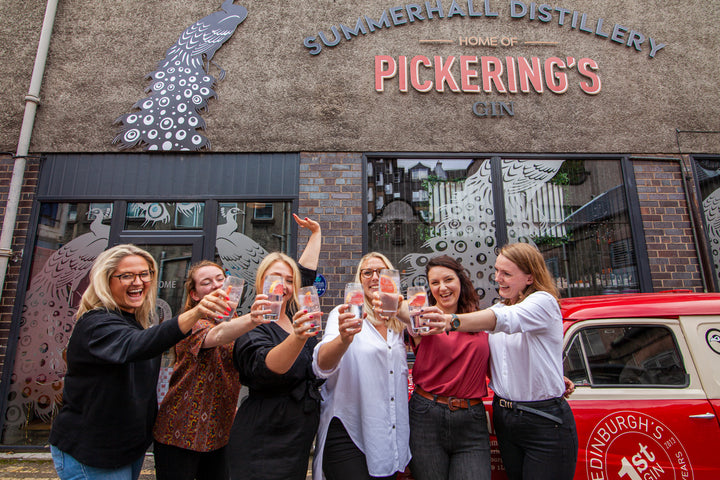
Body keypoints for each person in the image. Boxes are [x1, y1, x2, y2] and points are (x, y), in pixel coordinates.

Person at [152, 214, 321, 480]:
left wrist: (315, 235)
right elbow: (215, 336)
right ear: (194, 294)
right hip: (182, 430)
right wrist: (253, 318)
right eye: (207, 282)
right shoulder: (193, 323)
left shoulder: (238, 320)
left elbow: (299, 280)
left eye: (221, 279)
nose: (217, 285)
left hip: (221, 431)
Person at [49, 244, 230, 480]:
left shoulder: (131, 320)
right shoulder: (96, 323)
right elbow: (137, 344)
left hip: (126, 449)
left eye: (144, 274)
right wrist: (196, 314)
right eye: (126, 276)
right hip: (93, 453)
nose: (138, 282)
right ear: (105, 281)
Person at [422, 243, 579, 480]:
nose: (498, 278)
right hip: (505, 416)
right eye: (497, 271)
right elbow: (491, 356)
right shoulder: (499, 306)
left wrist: (450, 321)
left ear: (530, 277)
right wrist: (550, 374)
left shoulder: (543, 301)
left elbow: (506, 320)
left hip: (543, 419)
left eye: (506, 273)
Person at [312, 252, 411, 480]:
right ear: (360, 280)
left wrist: (398, 304)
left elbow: (426, 322)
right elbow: (321, 366)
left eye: (382, 272)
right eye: (368, 272)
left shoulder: (400, 324)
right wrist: (343, 339)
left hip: (388, 433)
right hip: (349, 428)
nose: (375, 277)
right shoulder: (344, 314)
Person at [227, 249, 322, 480]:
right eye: (275, 278)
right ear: (261, 281)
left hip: (298, 434)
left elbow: (306, 275)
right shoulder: (251, 323)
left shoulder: (294, 317)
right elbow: (267, 367)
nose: (283, 285)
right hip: (263, 434)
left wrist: (316, 232)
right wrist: (298, 337)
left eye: (290, 281)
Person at [402, 255, 491, 480]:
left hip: (471, 419)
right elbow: (401, 308)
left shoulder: (480, 319)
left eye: (448, 279)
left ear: (460, 280)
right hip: (426, 416)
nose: (442, 288)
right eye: (434, 283)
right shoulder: (423, 319)